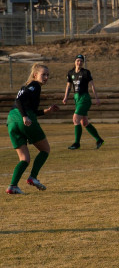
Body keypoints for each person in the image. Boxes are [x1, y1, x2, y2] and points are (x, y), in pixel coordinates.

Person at [5, 63, 59, 194]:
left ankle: (13, 186)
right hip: (22, 118)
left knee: (24, 159)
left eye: (48, 75)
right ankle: (33, 177)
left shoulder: (27, 86)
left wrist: (47, 111)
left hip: (11, 120)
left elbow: (32, 110)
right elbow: (19, 101)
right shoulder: (35, 85)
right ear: (35, 75)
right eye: (43, 74)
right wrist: (24, 116)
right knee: (45, 149)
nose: (46, 77)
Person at [63, 54, 104, 150]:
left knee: (75, 119)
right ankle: (99, 140)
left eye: (81, 61)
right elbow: (68, 86)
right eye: (78, 60)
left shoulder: (86, 72)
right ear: (75, 61)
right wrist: (66, 97)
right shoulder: (70, 73)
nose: (79, 62)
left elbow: (92, 86)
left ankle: (77, 143)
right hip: (76, 98)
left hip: (84, 98)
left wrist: (96, 98)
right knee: (84, 122)